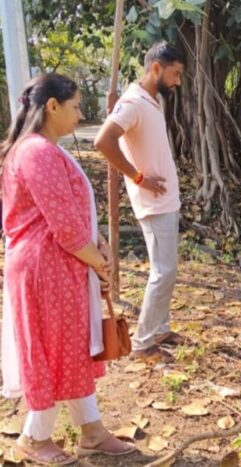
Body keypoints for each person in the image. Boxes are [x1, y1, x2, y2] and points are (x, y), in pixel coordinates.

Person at [0, 73, 136, 465]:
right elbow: (66, 227)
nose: (80, 115)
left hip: (58, 268)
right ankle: (33, 437)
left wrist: (99, 246)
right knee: (51, 352)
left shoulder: (40, 149)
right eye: (75, 107)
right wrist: (99, 262)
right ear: (52, 106)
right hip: (46, 271)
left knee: (73, 349)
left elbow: (72, 214)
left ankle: (91, 432)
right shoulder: (36, 153)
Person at [95, 41, 187, 361]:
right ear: (156, 68)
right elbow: (103, 141)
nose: (177, 81)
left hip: (166, 201)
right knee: (163, 271)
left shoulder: (150, 100)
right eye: (175, 74)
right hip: (153, 203)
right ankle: (143, 341)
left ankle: (160, 328)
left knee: (168, 270)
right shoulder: (133, 101)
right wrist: (137, 178)